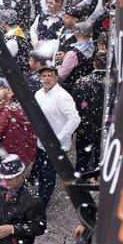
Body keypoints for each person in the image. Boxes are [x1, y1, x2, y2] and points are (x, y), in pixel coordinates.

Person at [32, 65, 80, 206]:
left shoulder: (63, 97)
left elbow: (75, 119)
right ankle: (39, 196)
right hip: (41, 142)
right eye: (43, 76)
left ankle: (41, 204)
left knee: (48, 175)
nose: (46, 79)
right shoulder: (38, 94)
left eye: (49, 75)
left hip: (56, 146)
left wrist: (58, 138)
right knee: (41, 171)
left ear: (56, 77)